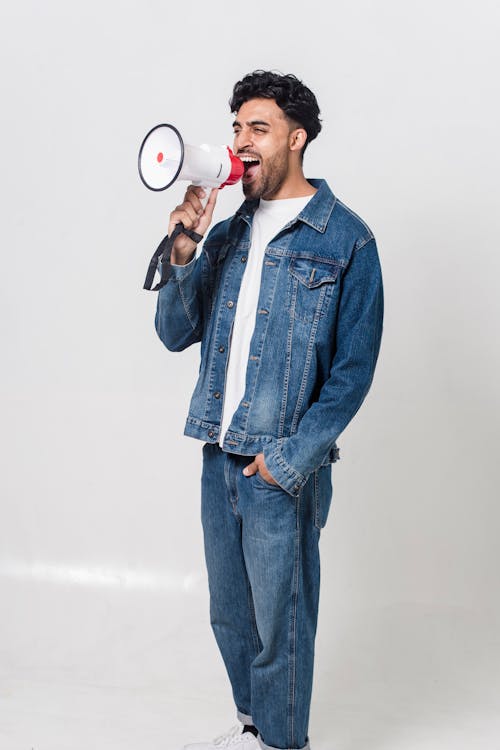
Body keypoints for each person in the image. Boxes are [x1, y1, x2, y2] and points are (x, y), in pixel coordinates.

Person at [153, 70, 384, 750]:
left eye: (257, 128)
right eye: (234, 129)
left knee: (281, 620)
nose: (240, 142)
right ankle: (256, 727)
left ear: (296, 137)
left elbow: (351, 373)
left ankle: (285, 743)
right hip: (217, 457)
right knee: (230, 616)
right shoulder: (226, 233)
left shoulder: (347, 241)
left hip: (279, 466)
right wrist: (185, 247)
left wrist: (288, 459)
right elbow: (172, 333)